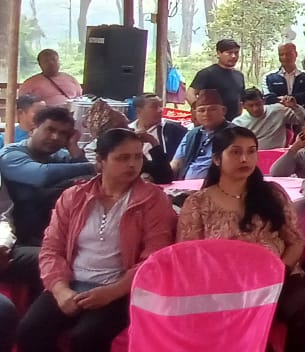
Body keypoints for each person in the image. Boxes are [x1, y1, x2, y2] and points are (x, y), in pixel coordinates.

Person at [17, 128, 176, 352]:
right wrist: (61, 290)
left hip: (121, 288)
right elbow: (52, 248)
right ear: (101, 161)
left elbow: (154, 256)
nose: (132, 165)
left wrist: (113, 292)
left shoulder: (152, 199)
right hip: (72, 282)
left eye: (138, 157)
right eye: (122, 158)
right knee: (29, 331)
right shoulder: (74, 196)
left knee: (86, 337)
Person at [177, 126, 305, 352]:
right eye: (235, 152)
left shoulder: (272, 194)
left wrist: (280, 271)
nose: (244, 159)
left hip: (279, 277)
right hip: (224, 287)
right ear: (217, 159)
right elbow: (189, 255)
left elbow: (296, 240)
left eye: (251, 151)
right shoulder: (198, 203)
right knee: (241, 327)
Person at [0, 107, 94, 295]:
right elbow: (41, 175)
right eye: (50, 130)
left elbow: (88, 180)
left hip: (50, 235)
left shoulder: (61, 157)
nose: (55, 137)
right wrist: (93, 165)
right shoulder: (11, 155)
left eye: (63, 134)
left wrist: (74, 147)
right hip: (18, 238)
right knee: (56, 262)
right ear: (33, 129)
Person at [172, 91, 233, 181]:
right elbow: (176, 163)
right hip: (185, 186)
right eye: (201, 110)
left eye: (212, 109)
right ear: (195, 113)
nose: (206, 114)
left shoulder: (234, 134)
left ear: (224, 110)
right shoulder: (192, 134)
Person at [129, 93, 186, 184]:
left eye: (160, 106)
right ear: (138, 111)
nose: (160, 110)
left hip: (162, 175)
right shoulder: (128, 130)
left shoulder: (174, 130)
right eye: (154, 107)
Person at [189, 39, 246, 119]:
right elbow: (190, 94)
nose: (233, 56)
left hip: (233, 122)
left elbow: (240, 100)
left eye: (236, 53)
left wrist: (239, 118)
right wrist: (200, 112)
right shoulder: (207, 73)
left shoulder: (239, 75)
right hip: (212, 121)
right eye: (229, 53)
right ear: (219, 54)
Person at [233, 88, 305, 150]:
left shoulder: (278, 110)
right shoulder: (238, 123)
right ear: (243, 105)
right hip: (254, 156)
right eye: (251, 105)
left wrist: (295, 107)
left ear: (263, 101)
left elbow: (304, 120)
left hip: (279, 154)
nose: (255, 108)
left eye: (258, 104)